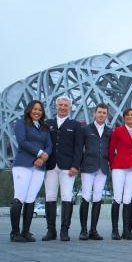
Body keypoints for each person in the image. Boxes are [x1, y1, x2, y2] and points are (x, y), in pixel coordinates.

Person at [10, 100, 52, 242]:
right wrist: (40, 152)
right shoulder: (21, 123)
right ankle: (15, 233)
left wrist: (43, 157)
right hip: (23, 164)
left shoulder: (44, 127)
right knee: (19, 197)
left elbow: (49, 145)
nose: (37, 112)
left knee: (30, 198)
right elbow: (22, 142)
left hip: (39, 167)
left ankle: (26, 232)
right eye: (34, 109)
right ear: (29, 110)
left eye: (40, 110)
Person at [42, 96, 83, 242]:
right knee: (50, 197)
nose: (63, 107)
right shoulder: (48, 123)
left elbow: (79, 148)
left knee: (66, 197)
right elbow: (43, 143)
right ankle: (50, 230)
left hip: (67, 167)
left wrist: (75, 166)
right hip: (50, 166)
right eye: (60, 105)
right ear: (56, 106)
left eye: (66, 105)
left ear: (70, 108)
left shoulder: (76, 125)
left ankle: (64, 230)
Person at [78, 103, 112, 241]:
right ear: (94, 113)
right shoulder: (86, 129)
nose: (101, 115)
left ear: (107, 115)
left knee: (97, 197)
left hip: (102, 167)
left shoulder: (110, 131)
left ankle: (93, 230)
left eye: (104, 113)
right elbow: (80, 148)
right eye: (99, 112)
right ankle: (83, 230)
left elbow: (111, 150)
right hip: (88, 166)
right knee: (86, 196)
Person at [108, 108, 132, 240]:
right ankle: (115, 230)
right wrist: (112, 164)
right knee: (117, 198)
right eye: (128, 115)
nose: (130, 117)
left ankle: (126, 230)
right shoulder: (118, 131)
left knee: (128, 199)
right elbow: (111, 149)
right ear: (124, 117)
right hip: (119, 167)